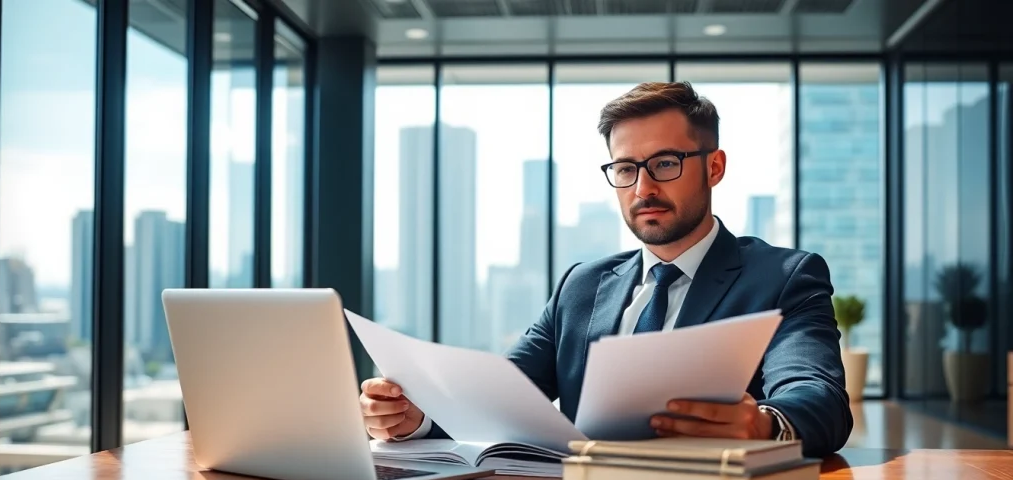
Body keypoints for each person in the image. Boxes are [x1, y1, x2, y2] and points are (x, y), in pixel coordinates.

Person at [360, 81, 853, 458]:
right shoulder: (582, 285)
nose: (642, 189)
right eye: (625, 169)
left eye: (665, 163)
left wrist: (765, 424)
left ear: (714, 167)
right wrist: (415, 416)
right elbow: (502, 400)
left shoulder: (784, 276)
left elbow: (818, 396)